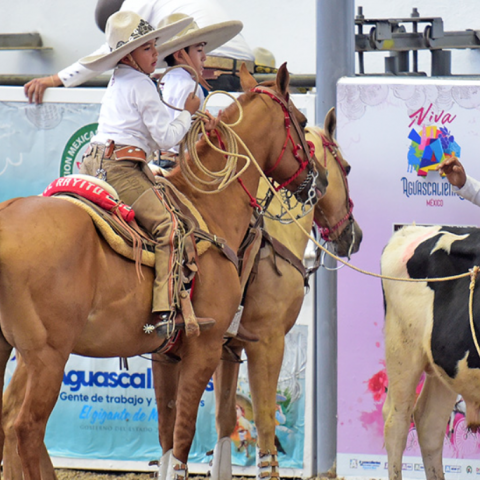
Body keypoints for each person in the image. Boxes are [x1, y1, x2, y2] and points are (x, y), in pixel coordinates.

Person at [77, 10, 215, 336]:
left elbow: (154, 129)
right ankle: (166, 313)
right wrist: (189, 113)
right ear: (129, 55)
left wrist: (187, 120)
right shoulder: (141, 83)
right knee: (169, 227)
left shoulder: (123, 80)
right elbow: (166, 138)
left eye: (154, 46)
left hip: (93, 163)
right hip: (121, 170)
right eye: (148, 48)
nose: (156, 54)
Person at [24, 0, 254, 104]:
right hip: (243, 70)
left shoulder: (135, 4)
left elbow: (111, 50)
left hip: (207, 70)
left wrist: (56, 79)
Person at [152, 12, 242, 168]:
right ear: (180, 55)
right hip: (177, 163)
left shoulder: (163, 82)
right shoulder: (190, 87)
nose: (204, 57)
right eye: (199, 50)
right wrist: (206, 131)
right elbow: (186, 137)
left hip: (157, 159)